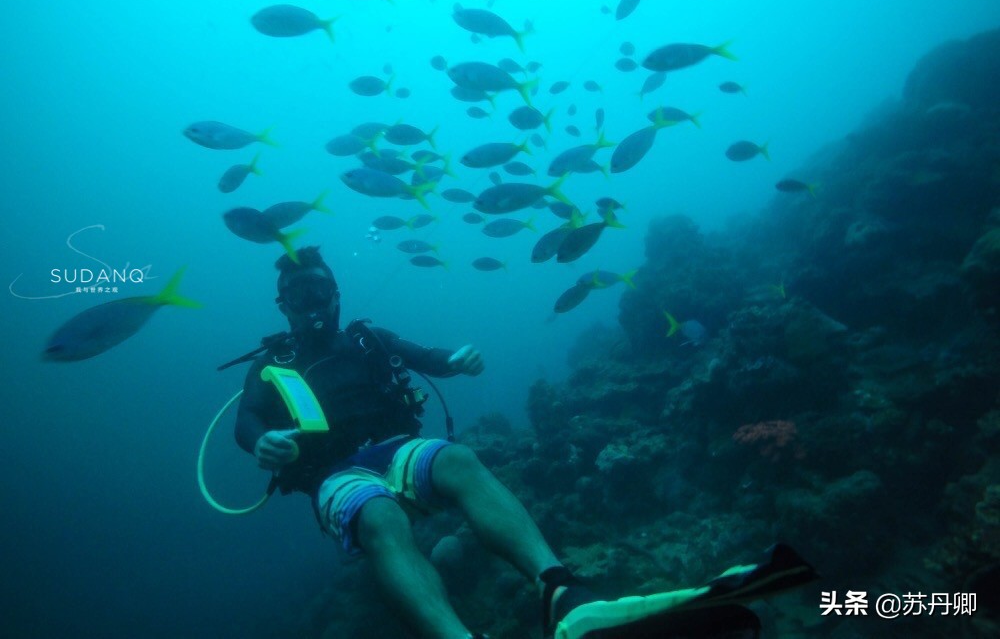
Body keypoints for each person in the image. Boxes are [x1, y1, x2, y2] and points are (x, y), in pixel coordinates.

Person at [235, 246, 815, 639]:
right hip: (336, 473)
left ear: (336, 293)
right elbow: (245, 423)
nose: (311, 305)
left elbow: (429, 357)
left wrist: (462, 360)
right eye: (298, 297)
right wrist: (264, 443)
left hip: (395, 448)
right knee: (382, 519)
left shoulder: (367, 340)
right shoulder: (271, 363)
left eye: (318, 291)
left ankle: (562, 593)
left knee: (459, 458)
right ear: (283, 306)